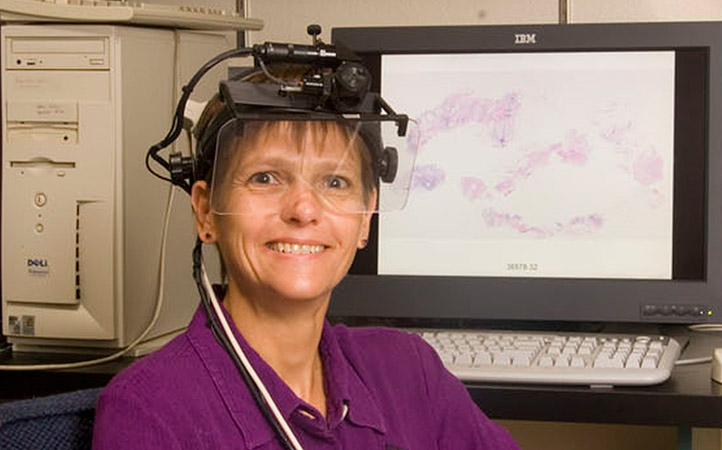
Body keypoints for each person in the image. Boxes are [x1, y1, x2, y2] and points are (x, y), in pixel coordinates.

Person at [92, 60, 521, 449]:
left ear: (365, 219)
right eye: (265, 178)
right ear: (206, 212)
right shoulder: (149, 409)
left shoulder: (409, 371)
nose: (303, 209)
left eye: (334, 183)